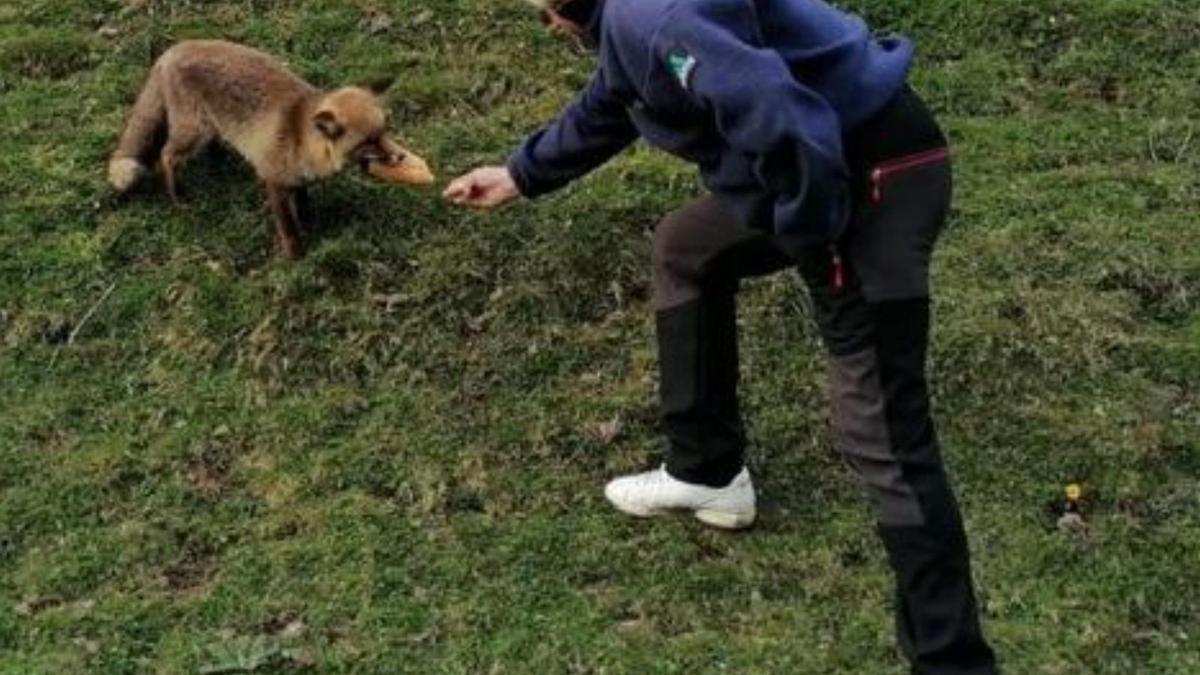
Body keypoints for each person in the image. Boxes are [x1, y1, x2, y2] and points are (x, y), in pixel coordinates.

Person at [444, 1, 998, 672]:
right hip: (819, 165)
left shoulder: (650, 16)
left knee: (881, 432)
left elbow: (777, 110)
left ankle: (952, 660)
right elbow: (620, 94)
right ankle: (707, 468)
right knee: (688, 248)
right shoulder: (629, 24)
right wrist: (521, 173)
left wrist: (814, 234)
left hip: (864, 177)